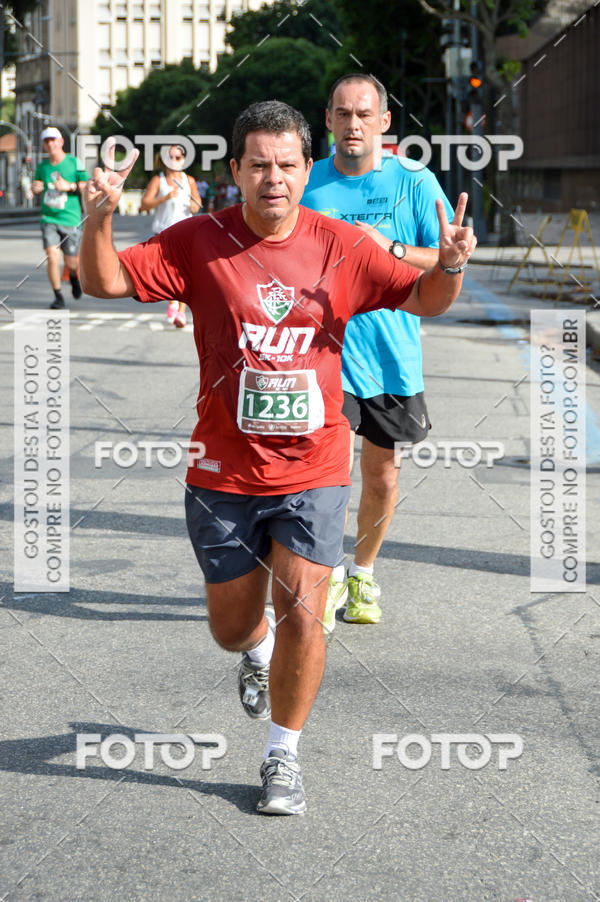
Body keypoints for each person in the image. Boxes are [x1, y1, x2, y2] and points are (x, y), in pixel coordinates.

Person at [80, 101, 475, 815]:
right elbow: (105, 282)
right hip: (223, 471)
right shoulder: (199, 240)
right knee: (231, 626)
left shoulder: (341, 244)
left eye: (288, 165)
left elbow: (426, 300)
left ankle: (282, 755)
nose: (274, 178)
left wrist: (447, 263)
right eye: (259, 165)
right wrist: (99, 219)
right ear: (235, 171)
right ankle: (253, 652)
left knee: (303, 606)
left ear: (305, 168)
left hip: (313, 467)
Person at [303, 74, 454, 629]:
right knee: (323, 474)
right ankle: (321, 576)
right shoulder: (306, 182)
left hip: (391, 356)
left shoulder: (413, 181)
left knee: (382, 476)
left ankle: (361, 571)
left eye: (364, 114)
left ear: (384, 122)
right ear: (328, 120)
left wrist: (385, 246)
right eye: (343, 114)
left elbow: (444, 256)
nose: (353, 124)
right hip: (321, 353)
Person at [140, 144, 202, 327]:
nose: (175, 160)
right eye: (171, 157)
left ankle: (181, 312)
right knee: (167, 273)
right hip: (163, 233)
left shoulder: (189, 180)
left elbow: (197, 203)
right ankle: (173, 301)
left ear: (184, 160)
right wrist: (165, 198)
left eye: (178, 157)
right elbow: (144, 205)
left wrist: (194, 205)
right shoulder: (158, 181)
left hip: (185, 233)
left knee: (185, 272)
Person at [31, 126, 88, 310]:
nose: (50, 144)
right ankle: (58, 296)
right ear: (44, 145)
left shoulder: (74, 162)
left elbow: (87, 184)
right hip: (49, 217)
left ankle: (74, 278)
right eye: (46, 141)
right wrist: (35, 188)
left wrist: (69, 186)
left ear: (61, 142)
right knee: (52, 255)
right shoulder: (43, 167)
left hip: (70, 219)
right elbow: (37, 185)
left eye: (53, 140)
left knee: (71, 262)